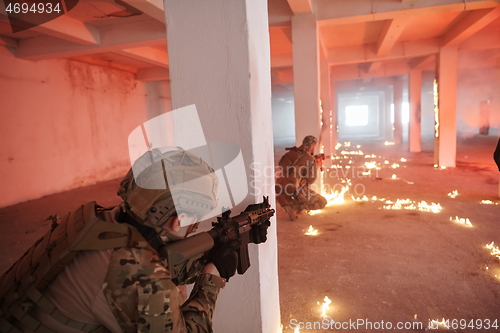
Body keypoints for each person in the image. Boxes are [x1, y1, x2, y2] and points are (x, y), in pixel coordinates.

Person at [0, 148, 239, 333]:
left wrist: (208, 252)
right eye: (195, 220)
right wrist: (212, 276)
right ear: (179, 220)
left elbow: (161, 257)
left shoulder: (101, 219)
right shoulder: (138, 272)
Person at [275, 135, 327, 221]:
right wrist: (316, 166)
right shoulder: (309, 159)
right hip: (293, 189)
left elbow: (282, 164)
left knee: (301, 184)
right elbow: (310, 180)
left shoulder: (291, 153)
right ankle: (293, 206)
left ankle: (285, 198)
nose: (314, 148)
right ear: (311, 146)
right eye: (315, 146)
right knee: (322, 202)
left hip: (279, 186)